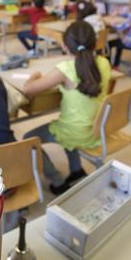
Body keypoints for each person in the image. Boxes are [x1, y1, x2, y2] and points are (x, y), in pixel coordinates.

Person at [22, 21, 111, 194]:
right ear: (95, 43)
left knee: (28, 139)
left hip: (76, 132)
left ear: (64, 45)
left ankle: (57, 180)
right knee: (67, 124)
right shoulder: (104, 63)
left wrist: (34, 75)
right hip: (95, 129)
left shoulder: (65, 69)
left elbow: (28, 89)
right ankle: (76, 170)